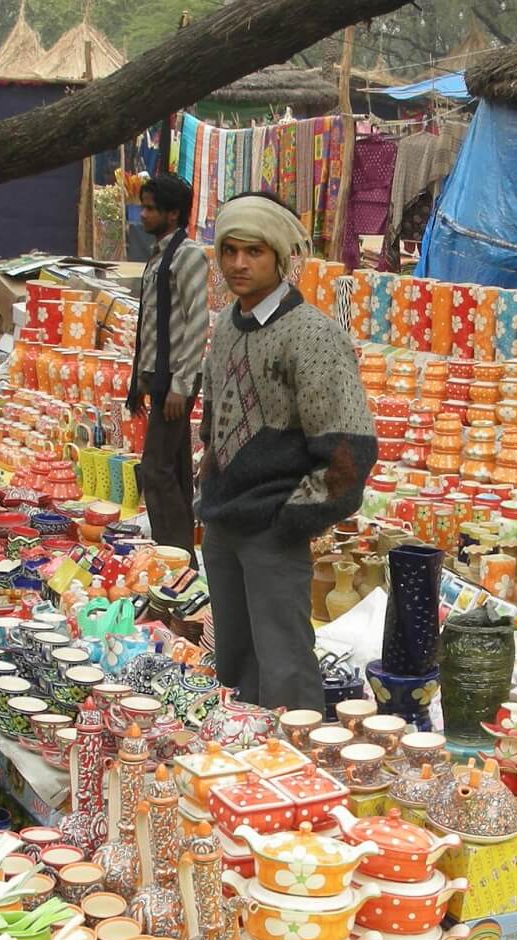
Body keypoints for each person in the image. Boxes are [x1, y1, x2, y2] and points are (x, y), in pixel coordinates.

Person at [196, 192, 377, 711]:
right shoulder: (226, 325)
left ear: (279, 256)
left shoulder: (313, 336)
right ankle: (243, 754)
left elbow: (350, 452)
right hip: (224, 524)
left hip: (272, 531)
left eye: (253, 251)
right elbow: (213, 426)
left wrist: (289, 521)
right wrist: (209, 494)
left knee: (285, 670)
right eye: (229, 250)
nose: (238, 263)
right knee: (235, 663)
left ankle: (298, 759)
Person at [126, 174, 209, 557]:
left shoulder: (187, 255)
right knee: (173, 466)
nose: (142, 215)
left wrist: (181, 384)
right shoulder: (160, 254)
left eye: (150, 208)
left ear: (173, 213)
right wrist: (141, 382)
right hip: (160, 378)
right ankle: (183, 553)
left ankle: (171, 553)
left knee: (155, 470)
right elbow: (153, 322)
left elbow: (197, 321)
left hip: (176, 380)